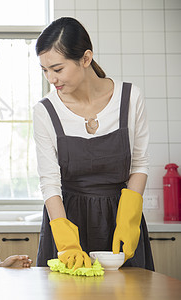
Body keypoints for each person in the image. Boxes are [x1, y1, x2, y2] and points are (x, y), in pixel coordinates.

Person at [33, 17, 154, 270]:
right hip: (67, 219)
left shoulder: (130, 98)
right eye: (44, 71)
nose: (51, 79)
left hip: (119, 217)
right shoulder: (45, 110)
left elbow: (140, 164)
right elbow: (49, 181)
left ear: (86, 59)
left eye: (57, 69)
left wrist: (129, 218)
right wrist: (65, 242)